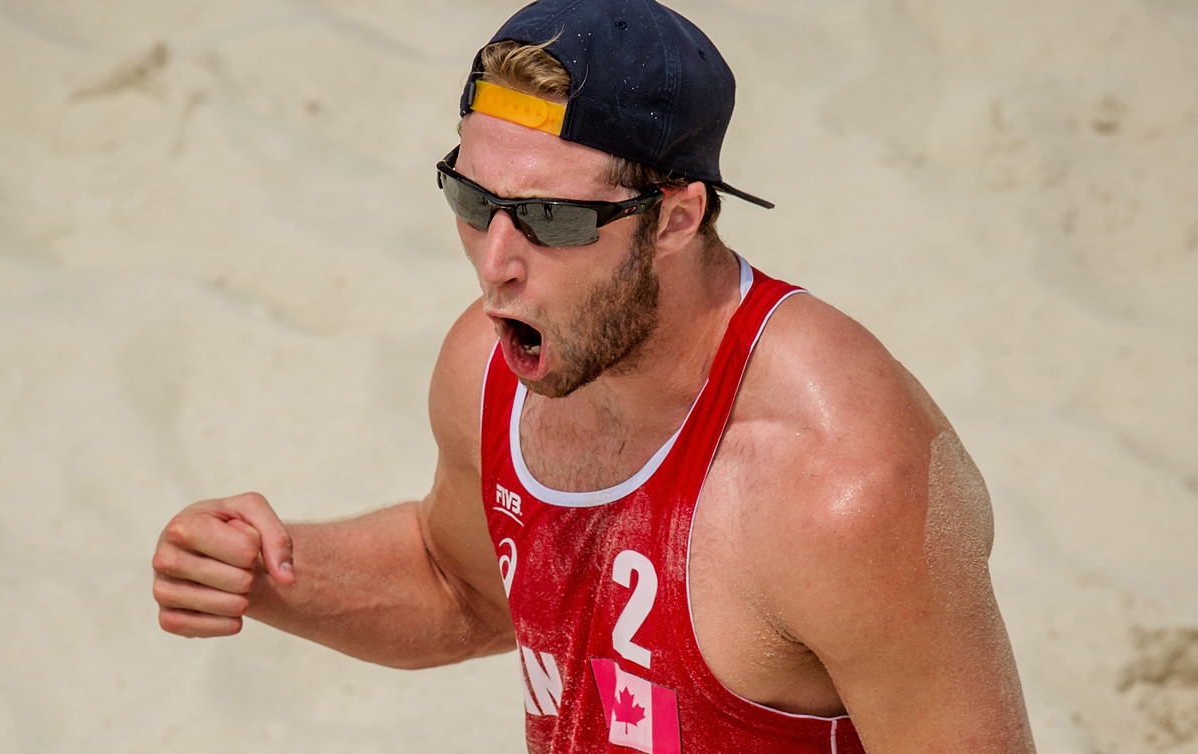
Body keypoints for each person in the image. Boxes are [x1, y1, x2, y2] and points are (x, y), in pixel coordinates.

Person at [151, 1, 1036, 751]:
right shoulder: (491, 367)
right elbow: (464, 586)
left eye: (547, 217)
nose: (495, 263)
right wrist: (266, 571)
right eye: (472, 201)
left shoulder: (843, 485)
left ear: (677, 217)